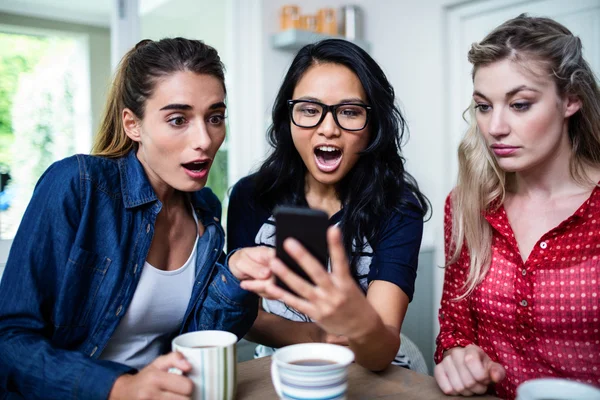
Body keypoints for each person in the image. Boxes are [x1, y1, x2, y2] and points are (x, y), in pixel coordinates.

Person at [0, 38, 272, 400]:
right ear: (133, 124)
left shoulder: (205, 210)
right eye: (178, 119)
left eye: (215, 117)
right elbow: (9, 340)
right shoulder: (78, 185)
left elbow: (196, 340)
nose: (205, 140)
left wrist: (234, 278)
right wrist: (119, 387)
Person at [227, 39, 429, 372]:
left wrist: (357, 322)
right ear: (288, 116)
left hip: (371, 373)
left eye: (349, 112)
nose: (328, 128)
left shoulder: (398, 208)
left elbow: (380, 350)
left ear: (373, 124)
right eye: (309, 109)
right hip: (284, 368)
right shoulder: (252, 196)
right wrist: (318, 333)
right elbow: (246, 316)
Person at [434, 14, 600, 399]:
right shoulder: (467, 206)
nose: (494, 128)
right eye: (483, 106)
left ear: (571, 100)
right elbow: (454, 328)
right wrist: (460, 358)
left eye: (520, 104)